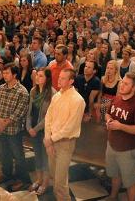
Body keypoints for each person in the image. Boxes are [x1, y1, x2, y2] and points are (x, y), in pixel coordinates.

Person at [105, 72, 135, 201]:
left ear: (134, 88)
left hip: (128, 150)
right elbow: (108, 114)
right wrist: (108, 121)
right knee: (114, 174)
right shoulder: (116, 98)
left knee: (130, 181)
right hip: (112, 145)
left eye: (126, 84)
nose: (122, 85)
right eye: (122, 82)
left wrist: (120, 126)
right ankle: (113, 196)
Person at [44, 69, 85, 201]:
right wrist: (47, 137)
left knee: (60, 182)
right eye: (59, 77)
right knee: (54, 176)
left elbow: (70, 127)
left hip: (65, 143)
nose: (58, 80)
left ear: (71, 81)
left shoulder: (78, 100)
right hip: (51, 140)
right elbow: (48, 117)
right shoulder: (57, 96)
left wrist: (51, 139)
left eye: (62, 78)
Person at [0, 63, 31, 191]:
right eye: (3, 73)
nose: (4, 75)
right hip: (0, 127)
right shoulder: (1, 88)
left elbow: (19, 112)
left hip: (13, 129)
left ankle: (23, 179)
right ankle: (7, 174)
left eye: (7, 73)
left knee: (18, 155)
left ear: (14, 74)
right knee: (4, 153)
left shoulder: (22, 91)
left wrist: (4, 124)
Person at [26, 68, 56, 195]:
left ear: (47, 78)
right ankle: (38, 179)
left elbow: (48, 117)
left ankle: (45, 182)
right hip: (33, 129)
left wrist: (35, 129)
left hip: (45, 130)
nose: (37, 78)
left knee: (45, 157)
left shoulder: (52, 94)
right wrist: (28, 127)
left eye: (40, 76)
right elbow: (29, 112)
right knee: (37, 155)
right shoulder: (33, 90)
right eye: (37, 75)